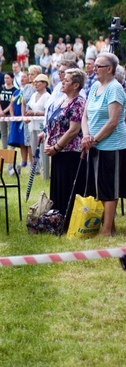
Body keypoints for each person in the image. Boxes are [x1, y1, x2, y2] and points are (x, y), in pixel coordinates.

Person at [81, 53, 126, 237]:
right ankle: (110, 226)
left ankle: (107, 230)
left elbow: (113, 121)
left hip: (111, 145)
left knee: (109, 187)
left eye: (99, 66)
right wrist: (86, 136)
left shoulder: (115, 89)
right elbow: (85, 115)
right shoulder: (94, 87)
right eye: (94, 66)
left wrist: (94, 139)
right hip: (94, 144)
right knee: (99, 187)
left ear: (110, 69)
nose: (94, 69)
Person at [43, 69, 86, 213]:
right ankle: (57, 217)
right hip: (57, 152)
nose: (62, 82)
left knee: (68, 187)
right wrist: (48, 141)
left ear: (75, 85)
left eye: (66, 80)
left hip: (70, 152)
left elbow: (73, 130)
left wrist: (56, 147)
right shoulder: (62, 100)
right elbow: (53, 123)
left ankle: (67, 219)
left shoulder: (78, 103)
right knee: (58, 186)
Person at [0, 72, 15, 151]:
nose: (6, 80)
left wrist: (4, 111)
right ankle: (4, 149)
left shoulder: (15, 90)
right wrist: (0, 111)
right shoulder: (1, 89)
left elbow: (12, 103)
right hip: (1, 115)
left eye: (8, 78)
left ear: (12, 79)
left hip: (9, 114)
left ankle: (11, 150)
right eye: (5, 78)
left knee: (11, 132)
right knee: (3, 133)